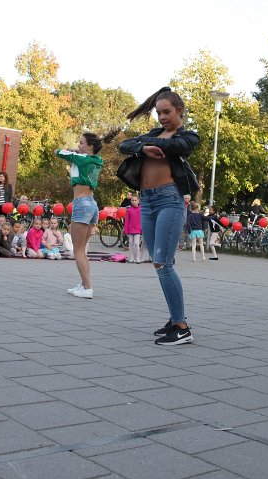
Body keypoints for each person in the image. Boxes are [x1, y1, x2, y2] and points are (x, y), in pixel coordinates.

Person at [118, 87, 200, 346]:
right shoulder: (153, 135)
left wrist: (149, 145)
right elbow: (124, 145)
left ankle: (182, 327)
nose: (162, 117)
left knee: (163, 263)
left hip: (170, 200)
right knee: (159, 262)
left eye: (167, 112)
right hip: (147, 202)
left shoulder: (188, 135)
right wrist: (145, 147)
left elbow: (181, 146)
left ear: (179, 110)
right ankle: (176, 318)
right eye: (158, 113)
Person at [56, 130, 119, 299]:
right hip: (92, 204)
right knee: (82, 251)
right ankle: (84, 284)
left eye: (81, 143)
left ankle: (88, 288)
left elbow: (58, 152)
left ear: (90, 146)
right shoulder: (96, 160)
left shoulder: (81, 158)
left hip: (81, 204)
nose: (79, 145)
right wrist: (78, 152)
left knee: (77, 251)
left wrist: (73, 151)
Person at [124, 194, 142, 263]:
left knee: (136, 243)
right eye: (132, 200)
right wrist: (126, 230)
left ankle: (137, 258)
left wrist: (142, 230)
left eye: (135, 200)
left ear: (138, 201)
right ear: (131, 201)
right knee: (131, 243)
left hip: (138, 229)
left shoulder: (141, 209)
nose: (134, 202)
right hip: (130, 229)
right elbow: (127, 221)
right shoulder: (129, 210)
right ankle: (132, 257)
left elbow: (142, 220)